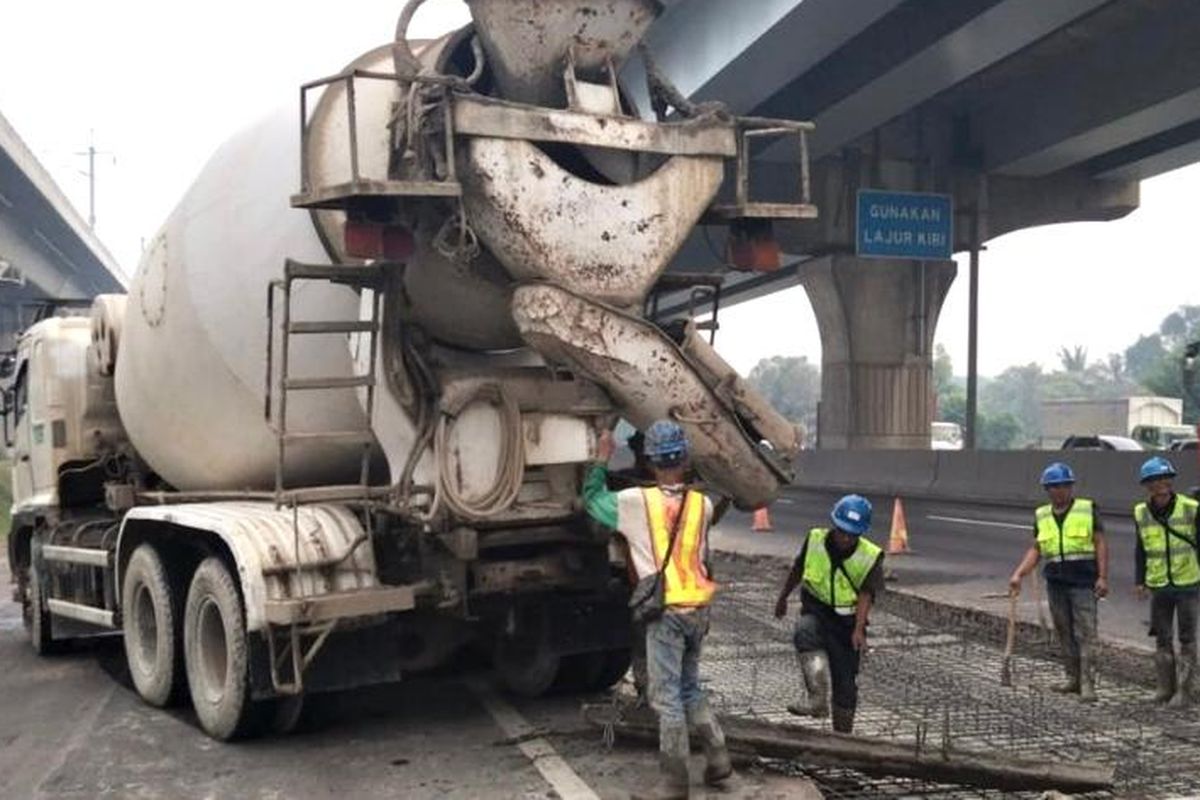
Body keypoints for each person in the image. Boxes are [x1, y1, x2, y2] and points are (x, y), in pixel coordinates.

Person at [583, 420, 732, 799]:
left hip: (665, 612)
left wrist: (600, 459)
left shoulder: (636, 502)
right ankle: (718, 760)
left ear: (650, 462)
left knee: (666, 698)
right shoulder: (703, 504)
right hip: (698, 608)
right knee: (689, 688)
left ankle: (674, 781)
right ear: (685, 458)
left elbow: (592, 500)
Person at [773, 494, 884, 734]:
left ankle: (843, 737)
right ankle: (817, 700)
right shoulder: (815, 539)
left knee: (845, 685)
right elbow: (798, 568)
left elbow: (867, 594)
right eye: (842, 531)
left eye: (852, 534)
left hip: (846, 624)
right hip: (817, 611)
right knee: (805, 631)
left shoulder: (870, 556)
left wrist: (858, 629)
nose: (845, 538)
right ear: (834, 525)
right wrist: (783, 598)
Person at [1008, 462, 1109, 702]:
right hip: (1056, 583)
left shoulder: (1086, 510)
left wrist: (1102, 577)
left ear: (1071, 487)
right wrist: (1019, 573)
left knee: (1086, 633)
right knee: (1064, 632)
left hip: (1083, 582)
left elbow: (1100, 543)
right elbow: (1036, 548)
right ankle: (1072, 679)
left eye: (1063, 486)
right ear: (1047, 490)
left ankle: (1087, 684)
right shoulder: (1042, 515)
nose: (1058, 491)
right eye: (1053, 487)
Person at [1133, 456, 1200, 706]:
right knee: (1162, 637)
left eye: (1164, 479)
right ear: (1146, 485)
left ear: (1171, 481)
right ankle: (1164, 688)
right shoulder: (1141, 512)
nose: (1160, 484)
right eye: (1153, 480)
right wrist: (1140, 580)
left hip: (1188, 583)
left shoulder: (1190, 507)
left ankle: (1185, 691)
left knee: (1187, 638)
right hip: (1159, 584)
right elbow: (1140, 549)